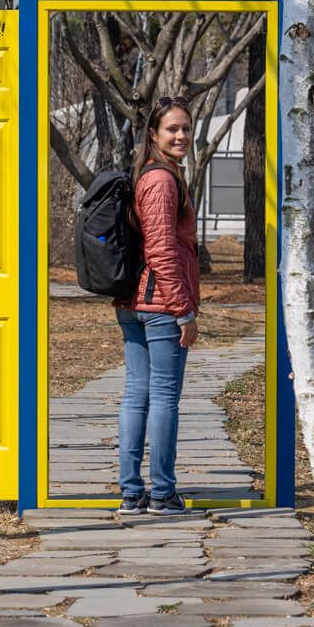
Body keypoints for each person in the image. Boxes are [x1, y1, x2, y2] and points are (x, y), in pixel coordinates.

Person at [114, 96, 200, 515]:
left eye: (185, 127)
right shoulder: (162, 180)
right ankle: (162, 493)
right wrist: (183, 309)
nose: (181, 135)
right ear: (154, 134)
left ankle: (132, 492)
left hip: (137, 301)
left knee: (138, 395)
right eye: (172, 129)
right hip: (160, 304)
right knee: (163, 397)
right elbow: (162, 249)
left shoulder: (151, 176)